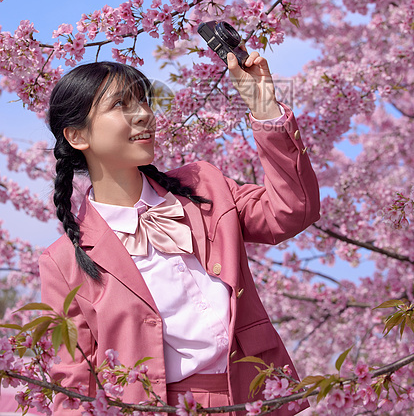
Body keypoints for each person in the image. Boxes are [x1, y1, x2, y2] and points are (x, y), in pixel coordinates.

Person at [39, 50, 320, 416]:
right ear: (78, 135)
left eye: (143, 100)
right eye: (121, 105)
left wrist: (264, 106)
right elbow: (76, 379)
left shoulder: (205, 186)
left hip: (255, 397)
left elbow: (293, 209)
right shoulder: (64, 261)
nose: (143, 114)